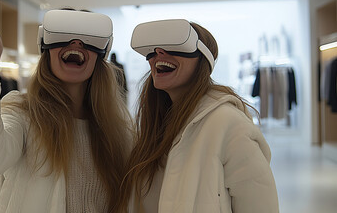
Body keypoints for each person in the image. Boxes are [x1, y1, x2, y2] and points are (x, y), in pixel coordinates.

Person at [0, 4, 131, 213]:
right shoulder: (23, 113)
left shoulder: (119, 129)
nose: (76, 43)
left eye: (89, 39)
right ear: (45, 46)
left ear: (102, 53)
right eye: (63, 33)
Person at [118, 19, 279, 212]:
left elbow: (259, 205)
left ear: (203, 59)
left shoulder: (229, 124)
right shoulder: (155, 125)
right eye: (153, 50)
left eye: (175, 46)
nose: (159, 52)